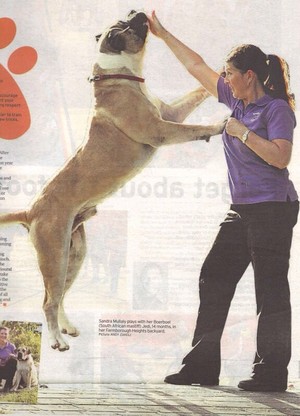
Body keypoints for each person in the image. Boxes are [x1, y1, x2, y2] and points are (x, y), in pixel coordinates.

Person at [148, 11, 299, 392]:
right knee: (213, 277)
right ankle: (201, 368)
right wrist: (164, 34)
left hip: (273, 208)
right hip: (242, 209)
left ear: (249, 76)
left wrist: (242, 132)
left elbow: (281, 157)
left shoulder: (276, 109)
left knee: (270, 290)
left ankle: (270, 374)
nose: (224, 78)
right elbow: (195, 64)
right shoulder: (235, 99)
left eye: (229, 72)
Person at [0, 326, 17, 392]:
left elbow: (18, 358)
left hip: (7, 370)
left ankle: (8, 385)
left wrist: (13, 356)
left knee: (13, 361)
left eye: (5, 334)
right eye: (2, 333)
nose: (4, 335)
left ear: (8, 335)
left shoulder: (11, 346)